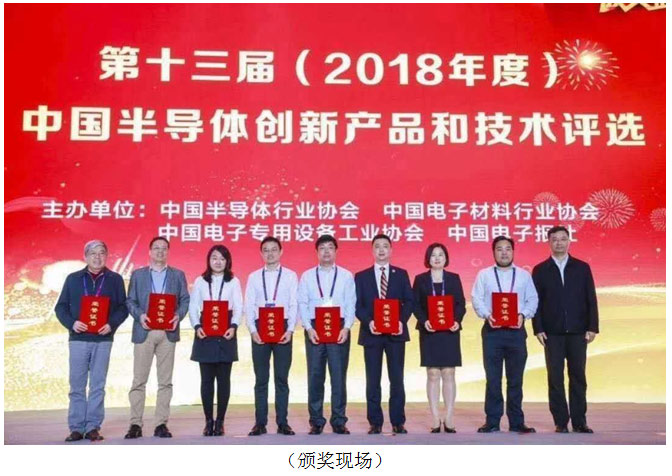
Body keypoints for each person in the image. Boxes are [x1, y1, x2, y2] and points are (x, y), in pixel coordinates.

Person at [55, 240, 128, 442]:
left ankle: (93, 427)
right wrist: (72, 323)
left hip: (103, 339)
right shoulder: (73, 279)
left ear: (106, 256)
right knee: (77, 385)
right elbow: (60, 307)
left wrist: (111, 324)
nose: (97, 257)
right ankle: (76, 427)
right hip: (78, 339)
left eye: (101, 253)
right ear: (85, 256)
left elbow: (123, 308)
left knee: (98, 385)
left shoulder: (114, 279)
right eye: (93, 253)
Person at [532, 225, 599, 433]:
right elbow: (535, 302)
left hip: (578, 331)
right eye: (554, 239)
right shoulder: (540, 270)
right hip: (552, 333)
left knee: (578, 376)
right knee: (555, 378)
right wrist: (538, 328)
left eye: (563, 239)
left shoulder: (582, 267)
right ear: (549, 242)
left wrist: (592, 327)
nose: (559, 243)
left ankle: (579, 422)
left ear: (569, 241)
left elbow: (591, 298)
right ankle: (560, 421)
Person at [471, 236, 538, 433]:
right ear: (494, 252)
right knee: (493, 379)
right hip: (493, 332)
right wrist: (487, 314)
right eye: (499, 249)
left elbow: (532, 299)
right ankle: (492, 421)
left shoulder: (524, 276)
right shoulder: (484, 274)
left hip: (516, 332)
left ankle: (517, 422)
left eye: (508, 248)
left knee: (515, 379)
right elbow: (476, 298)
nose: (504, 253)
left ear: (513, 251)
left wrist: (523, 315)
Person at [124, 236, 189, 439]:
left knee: (165, 382)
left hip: (168, 332)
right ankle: (135, 424)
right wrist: (140, 316)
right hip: (144, 331)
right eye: (156, 248)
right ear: (150, 251)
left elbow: (185, 300)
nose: (160, 251)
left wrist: (178, 315)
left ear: (168, 252)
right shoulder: (138, 275)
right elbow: (130, 301)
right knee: (139, 381)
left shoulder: (177, 275)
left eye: (164, 248)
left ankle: (161, 424)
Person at [355, 234, 414, 435]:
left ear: (391, 250)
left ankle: (398, 421)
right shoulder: (361, 276)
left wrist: (400, 321)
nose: (381, 250)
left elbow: (409, 301)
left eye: (385, 246)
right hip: (371, 334)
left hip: (395, 334)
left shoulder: (401, 274)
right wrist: (369, 322)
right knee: (373, 380)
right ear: (372, 250)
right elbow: (358, 305)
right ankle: (375, 422)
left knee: (396, 379)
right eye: (377, 246)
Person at [297, 235, 356, 435]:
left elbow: (350, 303)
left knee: (338, 376)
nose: (326, 251)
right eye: (322, 248)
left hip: (339, 326)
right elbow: (302, 303)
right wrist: (308, 328)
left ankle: (339, 420)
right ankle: (316, 421)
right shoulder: (307, 276)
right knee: (315, 375)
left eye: (330, 247)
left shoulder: (346, 276)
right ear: (317, 252)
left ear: (336, 251)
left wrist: (346, 327)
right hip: (315, 327)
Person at [244, 236, 298, 436]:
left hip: (283, 327)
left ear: (281, 252)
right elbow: (249, 304)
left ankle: (283, 422)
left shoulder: (290, 276)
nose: (270, 253)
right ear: (261, 253)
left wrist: (290, 330)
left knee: (281, 378)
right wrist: (253, 330)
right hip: (260, 328)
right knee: (261, 379)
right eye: (266, 250)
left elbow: (294, 303)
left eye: (274, 249)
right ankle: (260, 423)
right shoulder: (254, 277)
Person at [189, 244, 243, 436]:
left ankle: (220, 421)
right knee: (206, 380)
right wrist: (197, 326)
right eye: (214, 258)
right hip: (205, 332)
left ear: (227, 261)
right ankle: (208, 421)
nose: (218, 262)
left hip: (226, 332)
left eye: (222, 258)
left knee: (223, 380)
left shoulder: (233, 281)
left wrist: (234, 326)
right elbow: (193, 306)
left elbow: (238, 306)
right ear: (208, 260)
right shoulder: (200, 281)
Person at [412, 243, 465, 433]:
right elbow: (415, 304)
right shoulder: (420, 279)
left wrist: (457, 320)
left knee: (449, 372)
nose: (437, 258)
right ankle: (435, 418)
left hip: (449, 331)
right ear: (428, 258)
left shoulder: (454, 278)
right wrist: (424, 320)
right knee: (433, 373)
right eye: (433, 255)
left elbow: (460, 304)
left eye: (440, 254)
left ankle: (449, 417)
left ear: (446, 258)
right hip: (430, 330)